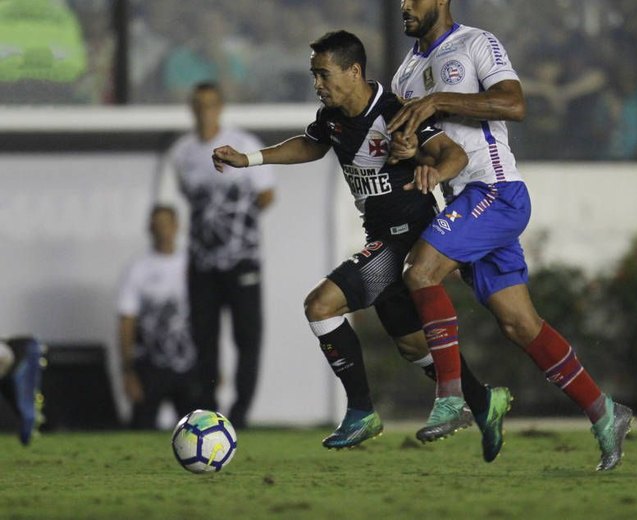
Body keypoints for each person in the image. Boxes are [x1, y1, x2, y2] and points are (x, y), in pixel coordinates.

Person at [212, 30, 505, 451]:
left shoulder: (394, 112)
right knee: (411, 345)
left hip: (405, 240)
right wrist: (250, 160)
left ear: (354, 71)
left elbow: (454, 155)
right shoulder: (332, 118)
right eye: (314, 74)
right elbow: (312, 145)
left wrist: (432, 173)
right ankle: (483, 401)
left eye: (324, 74)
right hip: (381, 236)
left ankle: (361, 411)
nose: (317, 83)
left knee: (320, 305)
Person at [386, 0, 633, 471]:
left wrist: (439, 100)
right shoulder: (404, 77)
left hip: (495, 191)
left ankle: (452, 399)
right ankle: (605, 412)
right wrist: (407, 151)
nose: (404, 6)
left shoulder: (477, 43)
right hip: (465, 203)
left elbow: (514, 103)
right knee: (520, 324)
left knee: (420, 273)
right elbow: (429, 148)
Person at [156, 82, 276, 428]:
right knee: (204, 339)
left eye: (209, 104)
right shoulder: (182, 153)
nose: (203, 111)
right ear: (190, 108)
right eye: (197, 105)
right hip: (202, 263)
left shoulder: (244, 144)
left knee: (247, 338)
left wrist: (236, 221)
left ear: (220, 107)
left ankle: (240, 413)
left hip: (243, 260)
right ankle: (207, 409)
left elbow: (267, 194)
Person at [117, 205, 199, 429]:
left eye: (167, 223)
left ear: (177, 226)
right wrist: (127, 371)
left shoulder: (194, 265)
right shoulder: (137, 269)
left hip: (190, 363)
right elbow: (126, 321)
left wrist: (214, 362)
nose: (163, 230)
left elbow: (208, 318)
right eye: (157, 224)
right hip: (150, 366)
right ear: (150, 228)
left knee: (200, 427)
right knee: (141, 428)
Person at [0, 336, 45, 445]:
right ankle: (28, 426)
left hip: (15, 352)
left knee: (24, 402)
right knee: (24, 401)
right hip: (12, 352)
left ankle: (28, 425)